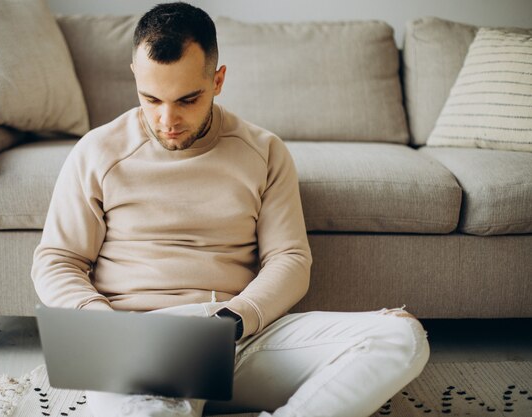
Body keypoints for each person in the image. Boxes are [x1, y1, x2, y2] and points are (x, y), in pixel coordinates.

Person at [31, 2, 430, 416]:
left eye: (188, 99)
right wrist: (104, 326)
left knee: (401, 338)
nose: (167, 119)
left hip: (237, 337)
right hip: (134, 340)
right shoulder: (97, 151)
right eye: (151, 99)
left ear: (218, 80)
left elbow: (289, 258)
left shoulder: (264, 151)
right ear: (135, 75)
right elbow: (57, 259)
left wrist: (234, 319)